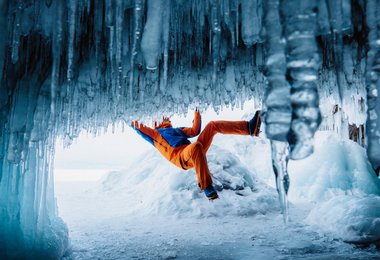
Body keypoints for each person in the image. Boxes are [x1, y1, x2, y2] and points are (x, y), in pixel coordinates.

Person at [131, 108, 262, 201]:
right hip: (181, 157)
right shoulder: (155, 134)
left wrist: (197, 110)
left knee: (212, 125)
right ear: (156, 121)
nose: (166, 116)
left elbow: (195, 130)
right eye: (161, 115)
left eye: (166, 115)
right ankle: (207, 187)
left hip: (194, 151)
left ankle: (250, 128)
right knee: (195, 146)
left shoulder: (176, 130)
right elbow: (138, 127)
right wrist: (129, 117)